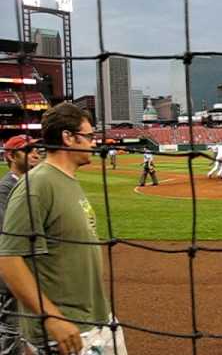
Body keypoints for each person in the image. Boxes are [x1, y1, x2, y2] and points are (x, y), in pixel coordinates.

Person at [0, 103, 128, 355]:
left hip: (96, 321)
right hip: (66, 332)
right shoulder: (38, 185)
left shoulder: (66, 180)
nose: (93, 142)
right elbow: (9, 259)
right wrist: (52, 318)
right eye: (89, 136)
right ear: (67, 137)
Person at [0, 135, 40, 355]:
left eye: (36, 149)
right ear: (10, 156)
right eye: (28, 150)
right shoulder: (5, 189)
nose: (35, 153)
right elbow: (10, 235)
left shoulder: (32, 185)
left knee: (29, 326)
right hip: (12, 273)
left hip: (31, 269)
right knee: (11, 328)